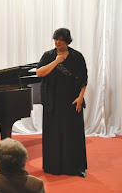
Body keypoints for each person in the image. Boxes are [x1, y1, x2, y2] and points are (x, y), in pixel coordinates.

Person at [36, 28, 88, 177]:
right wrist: (57, 61)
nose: (58, 42)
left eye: (61, 40)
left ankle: (76, 167)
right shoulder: (49, 56)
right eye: (56, 39)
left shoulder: (77, 57)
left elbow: (84, 79)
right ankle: (53, 166)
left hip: (72, 100)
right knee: (53, 134)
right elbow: (39, 73)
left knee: (72, 134)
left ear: (67, 41)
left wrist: (81, 97)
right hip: (52, 101)